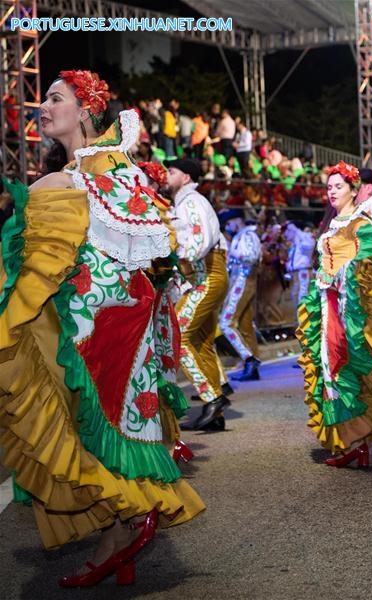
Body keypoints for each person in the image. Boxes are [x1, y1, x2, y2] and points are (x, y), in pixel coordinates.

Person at [0, 71, 203, 586]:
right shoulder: (75, 169)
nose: (43, 107)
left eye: (55, 98)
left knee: (91, 414)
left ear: (86, 111)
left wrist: (40, 190)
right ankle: (119, 532)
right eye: (44, 98)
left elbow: (140, 235)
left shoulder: (105, 161)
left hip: (106, 316)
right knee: (75, 413)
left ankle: (129, 521)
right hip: (84, 310)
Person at [295, 161, 372, 466]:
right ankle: (355, 443)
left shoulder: (359, 223)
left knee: (353, 369)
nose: (332, 192)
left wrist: (345, 276)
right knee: (332, 371)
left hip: (348, 310)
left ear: (354, 190)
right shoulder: (335, 224)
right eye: (329, 187)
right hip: (327, 307)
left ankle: (359, 439)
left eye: (338, 186)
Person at [163, 158, 234, 431]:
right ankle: (215, 413)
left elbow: (199, 241)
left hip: (206, 275)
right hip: (206, 274)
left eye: (172, 171)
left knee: (178, 335)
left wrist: (176, 258)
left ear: (186, 177)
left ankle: (212, 398)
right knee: (201, 341)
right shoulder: (184, 202)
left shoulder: (191, 201)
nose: (166, 175)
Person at [220, 211, 263, 381]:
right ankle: (252, 366)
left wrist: (233, 255)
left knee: (226, 323)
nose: (228, 228)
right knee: (245, 325)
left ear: (236, 220)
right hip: (242, 281)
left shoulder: (248, 235)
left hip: (242, 281)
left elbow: (251, 257)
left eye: (229, 223)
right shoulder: (242, 235)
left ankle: (249, 359)